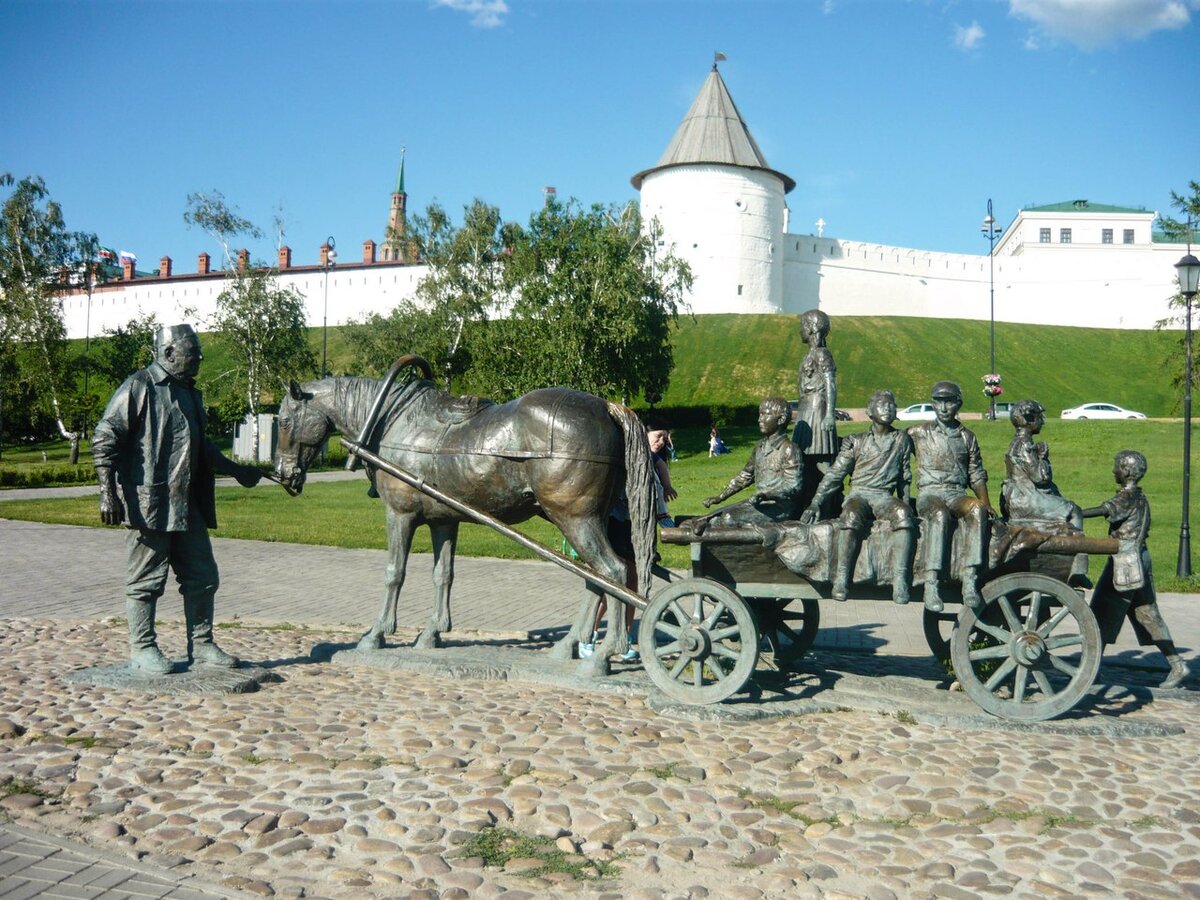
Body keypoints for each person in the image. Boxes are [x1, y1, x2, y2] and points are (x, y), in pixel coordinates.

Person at [92, 324, 263, 674]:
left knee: (203, 576)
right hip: (150, 504)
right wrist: (108, 493)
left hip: (188, 504)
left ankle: (201, 645)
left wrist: (236, 469)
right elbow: (105, 439)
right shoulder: (139, 386)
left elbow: (203, 447)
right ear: (169, 353)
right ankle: (142, 649)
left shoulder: (191, 394)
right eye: (193, 350)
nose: (199, 356)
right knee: (145, 581)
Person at [1084, 450, 1189, 689]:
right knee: (1147, 614)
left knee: (1100, 614)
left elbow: (1105, 509)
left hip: (1126, 564)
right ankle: (1177, 663)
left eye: (1117, 466)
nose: (1113, 470)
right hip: (1138, 560)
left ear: (1127, 471)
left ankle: (1090, 670)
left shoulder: (1128, 497)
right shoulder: (1139, 497)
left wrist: (1074, 512)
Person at [801, 389, 916, 604]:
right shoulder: (856, 441)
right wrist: (816, 502)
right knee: (851, 516)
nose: (888, 408)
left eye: (892, 404)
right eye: (882, 404)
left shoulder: (901, 440)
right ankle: (842, 578)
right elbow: (835, 475)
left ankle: (900, 580)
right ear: (870, 412)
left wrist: (907, 504)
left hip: (883, 496)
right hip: (859, 493)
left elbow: (904, 478)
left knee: (902, 514)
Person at [908, 381, 994, 612]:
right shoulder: (918, 433)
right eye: (939, 402)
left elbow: (976, 472)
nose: (944, 407)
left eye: (949, 402)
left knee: (977, 510)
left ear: (959, 404)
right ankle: (931, 583)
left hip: (956, 493)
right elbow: (896, 452)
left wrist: (985, 502)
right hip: (930, 493)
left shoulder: (968, 437)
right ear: (933, 404)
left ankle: (970, 579)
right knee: (938, 514)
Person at [693, 397, 802, 533]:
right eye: (759, 414)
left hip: (779, 509)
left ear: (780, 419)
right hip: (759, 505)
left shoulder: (789, 449)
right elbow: (745, 476)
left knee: (728, 518)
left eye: (765, 415)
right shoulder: (759, 447)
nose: (759, 420)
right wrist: (720, 497)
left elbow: (793, 485)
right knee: (714, 517)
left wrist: (766, 495)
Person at [1001, 400, 1083, 529]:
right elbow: (1040, 478)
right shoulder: (1025, 445)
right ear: (1029, 420)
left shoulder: (1016, 443)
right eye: (1040, 418)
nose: (1043, 422)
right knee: (1074, 511)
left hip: (1015, 498)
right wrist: (1043, 457)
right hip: (1025, 501)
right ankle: (1078, 548)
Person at [792, 309, 838, 512]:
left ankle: (832, 503)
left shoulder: (822, 354)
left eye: (803, 325)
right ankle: (808, 503)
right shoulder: (809, 354)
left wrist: (829, 414)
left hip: (817, 410)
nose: (800, 330)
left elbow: (830, 384)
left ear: (811, 328)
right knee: (804, 459)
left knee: (821, 461)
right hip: (805, 411)